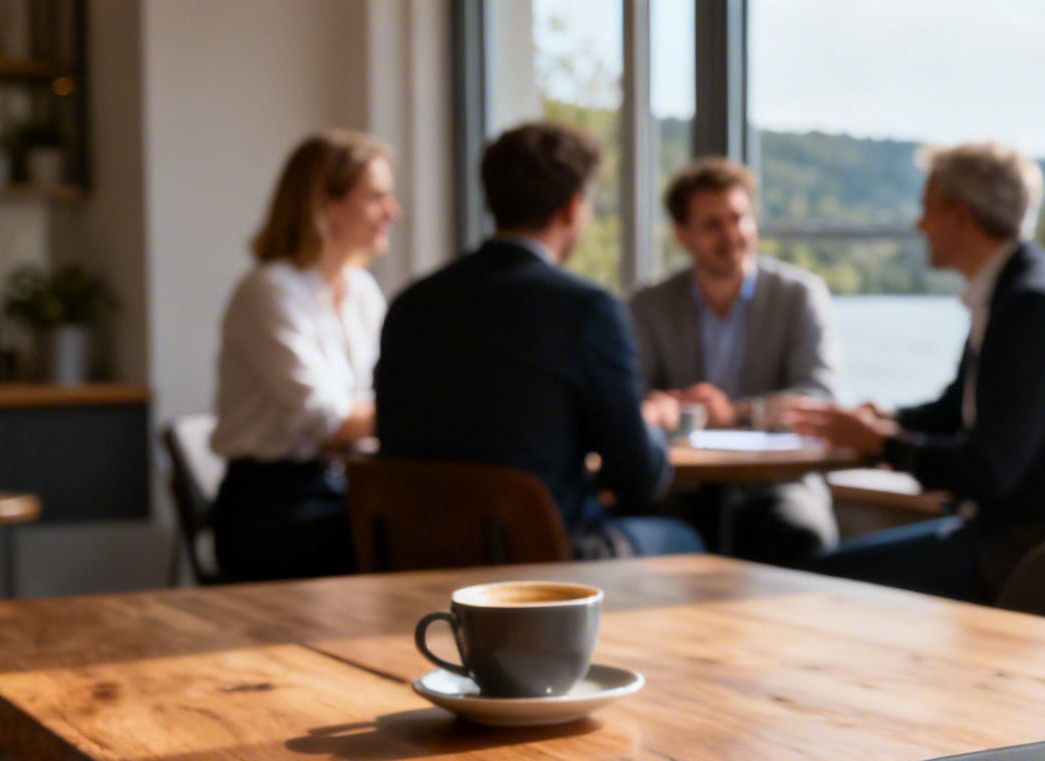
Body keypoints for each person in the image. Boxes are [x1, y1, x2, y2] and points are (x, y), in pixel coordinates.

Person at [786, 141, 1045, 602]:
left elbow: (987, 472)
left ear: (961, 214)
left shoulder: (1033, 304)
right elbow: (958, 409)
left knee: (813, 584)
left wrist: (882, 444)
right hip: (1036, 540)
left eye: (927, 208)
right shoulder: (1022, 288)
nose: (919, 225)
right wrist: (887, 420)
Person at [373, 122, 701, 559]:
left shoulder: (410, 305)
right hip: (540, 557)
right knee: (685, 540)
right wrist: (656, 425)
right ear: (573, 208)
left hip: (417, 553)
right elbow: (637, 476)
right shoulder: (586, 309)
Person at [628, 158, 841, 567]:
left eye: (739, 218)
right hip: (679, 483)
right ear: (682, 234)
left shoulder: (800, 295)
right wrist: (679, 407)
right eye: (713, 224)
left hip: (778, 481)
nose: (731, 235)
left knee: (803, 536)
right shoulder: (648, 305)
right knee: (646, 534)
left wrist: (737, 413)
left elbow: (819, 394)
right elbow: (630, 397)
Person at [211, 130, 397, 580]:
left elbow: (370, 402)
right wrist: (423, 411)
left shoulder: (361, 290)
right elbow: (329, 420)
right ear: (326, 204)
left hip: (339, 488)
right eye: (376, 197)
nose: (392, 211)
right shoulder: (270, 291)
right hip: (273, 508)